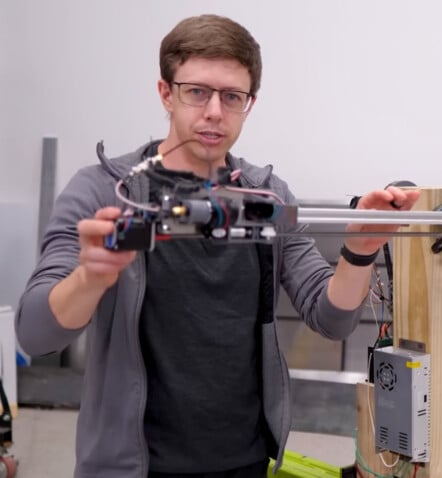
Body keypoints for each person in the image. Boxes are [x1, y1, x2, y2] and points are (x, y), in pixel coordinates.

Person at [15, 14, 420, 478]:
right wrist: (90, 277)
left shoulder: (267, 200)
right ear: (166, 93)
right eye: (197, 92)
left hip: (244, 463)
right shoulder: (105, 192)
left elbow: (331, 317)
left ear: (250, 103)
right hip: (131, 469)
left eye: (232, 97)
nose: (214, 112)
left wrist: (360, 250)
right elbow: (35, 333)